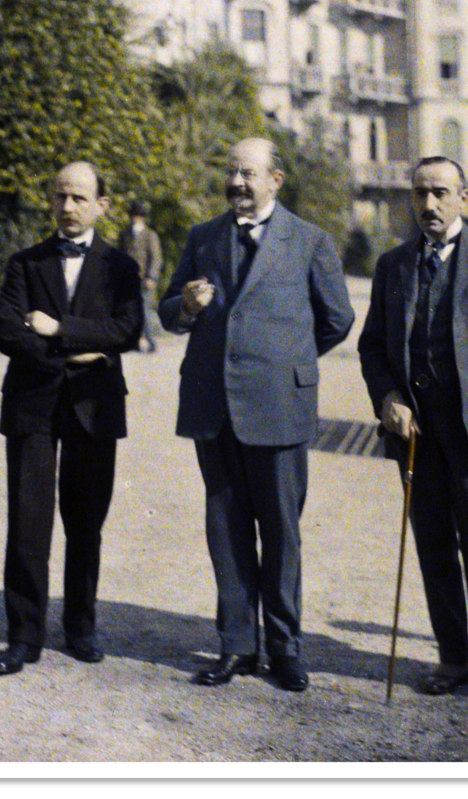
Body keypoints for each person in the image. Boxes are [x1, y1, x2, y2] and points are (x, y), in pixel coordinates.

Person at [158, 137, 354, 692]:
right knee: (225, 528)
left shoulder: (310, 241)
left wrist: (287, 361)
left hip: (279, 405)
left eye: (248, 173)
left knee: (282, 533)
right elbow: (168, 311)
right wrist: (186, 305)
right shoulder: (203, 237)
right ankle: (237, 646)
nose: (237, 183)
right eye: (232, 172)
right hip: (214, 406)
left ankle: (286, 649)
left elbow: (337, 318)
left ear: (276, 180)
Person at [357, 156, 468, 714]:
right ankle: (453, 659)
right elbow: (372, 347)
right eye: (420, 193)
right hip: (417, 434)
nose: (429, 204)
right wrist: (388, 397)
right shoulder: (393, 266)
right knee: (433, 546)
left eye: (440, 192)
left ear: (463, 197)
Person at [0, 162, 143, 676]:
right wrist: (77, 351)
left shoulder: (120, 267)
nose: (68, 207)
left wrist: (57, 329)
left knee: (85, 521)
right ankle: (23, 636)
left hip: (94, 406)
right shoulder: (25, 263)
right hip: (32, 403)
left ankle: (80, 628)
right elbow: (7, 331)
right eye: (60, 197)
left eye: (79, 198)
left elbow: (126, 330)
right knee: (28, 522)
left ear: (101, 205)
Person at [119, 199, 163, 353]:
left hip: (145, 280)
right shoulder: (125, 234)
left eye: (137, 216)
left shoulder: (150, 235)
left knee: (146, 311)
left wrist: (151, 277)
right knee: (130, 312)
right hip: (128, 279)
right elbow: (120, 255)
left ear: (143, 217)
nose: (134, 218)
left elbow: (156, 258)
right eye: (132, 215)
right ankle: (134, 342)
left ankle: (151, 341)